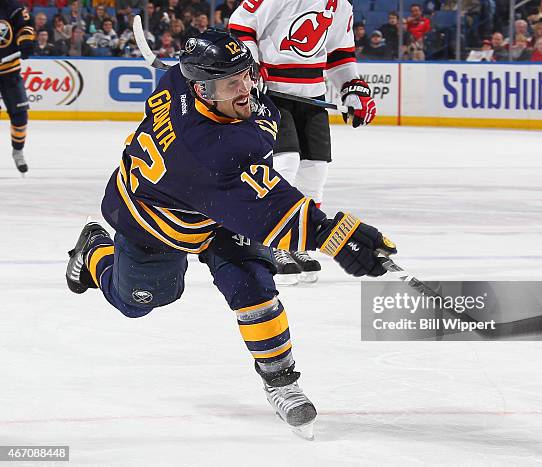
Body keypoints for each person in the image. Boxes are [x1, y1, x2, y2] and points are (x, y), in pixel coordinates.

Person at [65, 29, 396, 439]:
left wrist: (242, 91)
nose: (246, 89)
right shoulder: (208, 151)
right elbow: (275, 210)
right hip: (156, 222)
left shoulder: (183, 82)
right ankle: (95, 249)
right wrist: (341, 236)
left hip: (217, 205)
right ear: (202, 90)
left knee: (253, 284)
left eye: (246, 75)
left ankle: (281, 383)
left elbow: (250, 163)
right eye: (231, 84)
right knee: (137, 301)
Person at [229, 0, 378, 285]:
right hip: (272, 93)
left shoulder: (340, 5)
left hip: (313, 96)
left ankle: (300, 241)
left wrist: (352, 88)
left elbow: (339, 55)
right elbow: (241, 26)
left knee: (315, 171)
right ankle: (273, 243)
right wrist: (251, 66)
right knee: (285, 163)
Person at [0, 0, 34, 173]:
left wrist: (26, 41)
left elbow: (25, 26)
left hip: (10, 72)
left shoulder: (11, 6)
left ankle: (18, 151)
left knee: (20, 115)